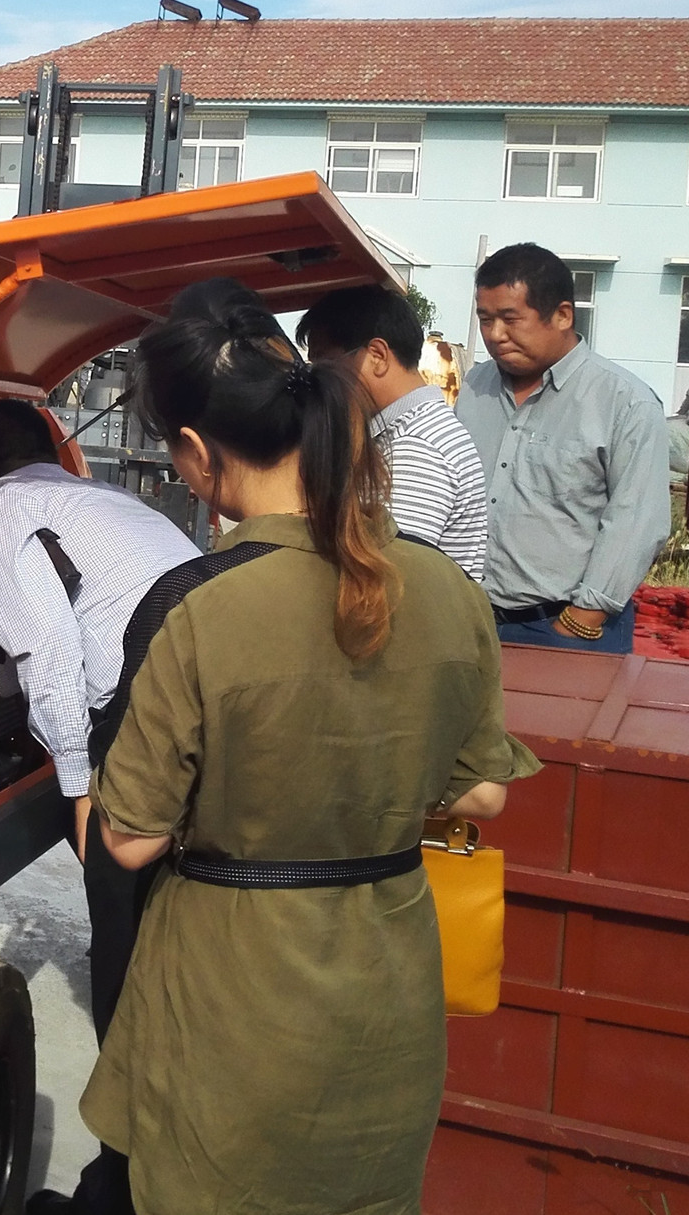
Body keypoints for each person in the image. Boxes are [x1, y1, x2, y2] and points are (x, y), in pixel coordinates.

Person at [77, 278, 538, 1215]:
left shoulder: (198, 605)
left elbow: (127, 838)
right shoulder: (448, 590)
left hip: (235, 1004)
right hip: (388, 996)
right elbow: (485, 793)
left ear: (198, 455)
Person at [0, 397, 197, 1215]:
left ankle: (124, 1185)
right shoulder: (97, 498)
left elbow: (53, 651)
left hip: (140, 716)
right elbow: (79, 616)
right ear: (49, 446)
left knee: (123, 943)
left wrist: (78, 786)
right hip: (199, 684)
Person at [457, 243, 671, 653]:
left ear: (562, 315)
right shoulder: (474, 387)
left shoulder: (625, 403)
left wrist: (582, 618)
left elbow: (638, 522)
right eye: (485, 320)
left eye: (509, 319)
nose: (495, 335)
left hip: (566, 627)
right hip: (470, 619)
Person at [297, 284, 488, 581]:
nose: (318, 379)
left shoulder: (416, 448)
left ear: (377, 355)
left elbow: (386, 574)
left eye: (324, 363)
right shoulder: (409, 431)